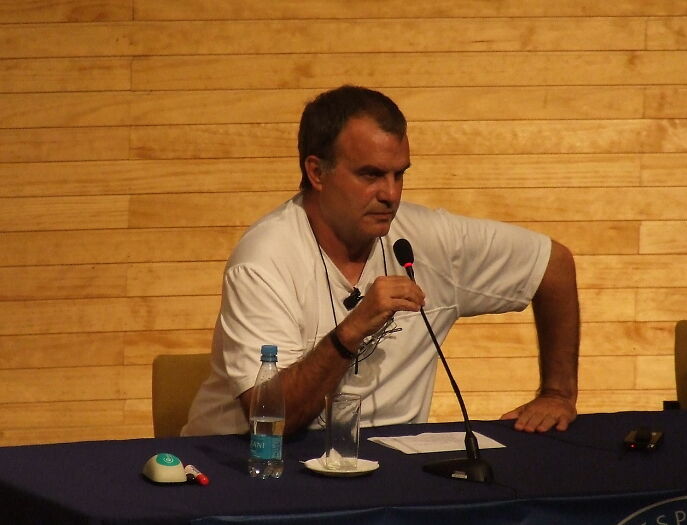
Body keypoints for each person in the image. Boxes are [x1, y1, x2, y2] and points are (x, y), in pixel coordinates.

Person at [182, 85, 579, 437]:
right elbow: (272, 421)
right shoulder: (264, 261)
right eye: (371, 175)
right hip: (247, 466)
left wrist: (557, 393)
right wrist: (353, 330)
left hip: (387, 469)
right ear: (317, 172)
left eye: (399, 175)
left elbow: (552, 265)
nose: (391, 194)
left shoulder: (431, 240)